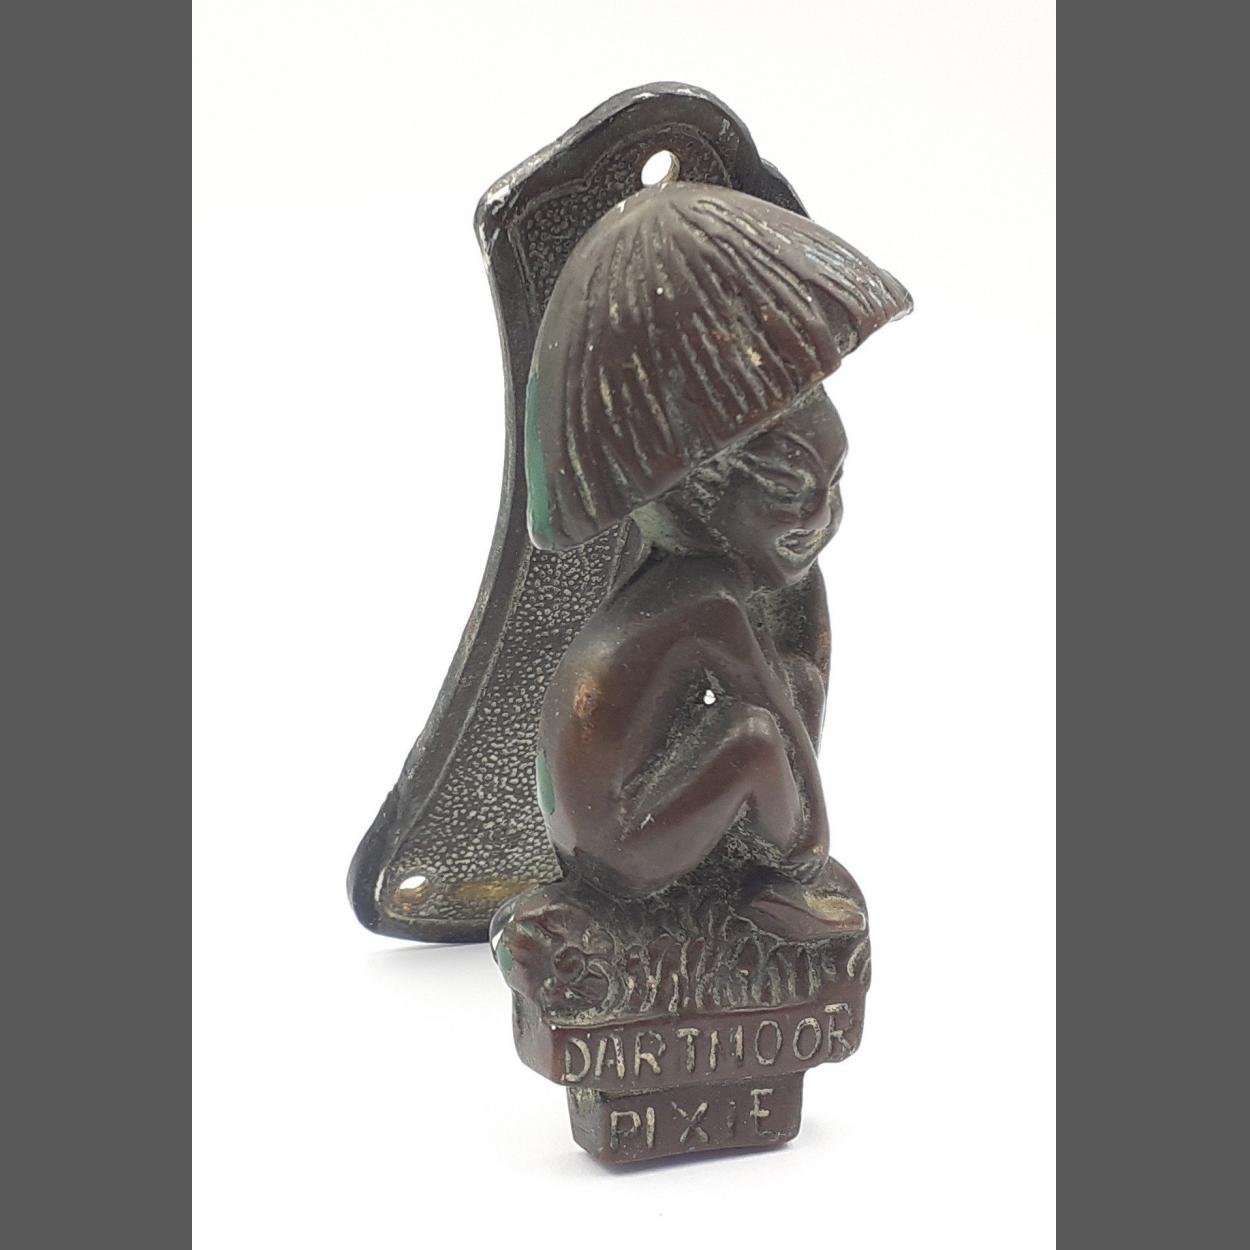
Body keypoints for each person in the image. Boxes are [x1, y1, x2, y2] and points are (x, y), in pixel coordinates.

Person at [521, 182, 911, 938]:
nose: (821, 518)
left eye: (833, 485)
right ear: (698, 492)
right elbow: (775, 730)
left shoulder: (708, 583)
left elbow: (800, 674)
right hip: (618, 848)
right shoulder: (704, 600)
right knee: (755, 740)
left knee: (787, 694)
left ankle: (759, 873)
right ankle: (782, 896)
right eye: (788, 492)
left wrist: (803, 592)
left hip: (640, 815)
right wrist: (807, 855)